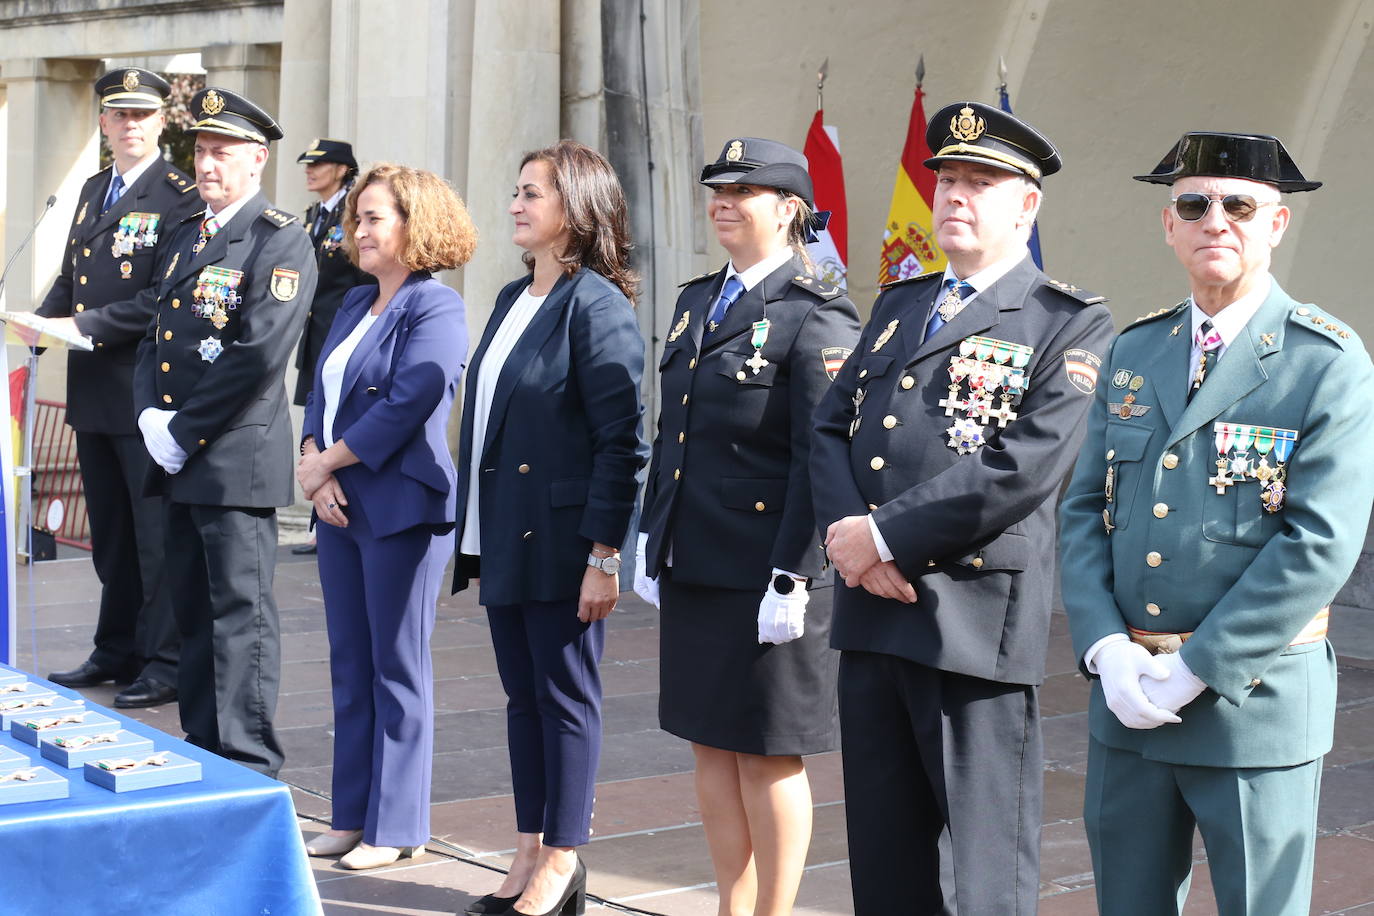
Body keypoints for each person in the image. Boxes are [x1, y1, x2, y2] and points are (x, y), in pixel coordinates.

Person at [1058, 131, 1374, 915]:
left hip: (1251, 707)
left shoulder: (1324, 360)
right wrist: (1104, 648)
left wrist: (1200, 664)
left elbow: (1320, 542)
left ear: (1276, 224)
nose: (1215, 220)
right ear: (1170, 226)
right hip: (1130, 706)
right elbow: (1081, 510)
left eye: (1239, 204)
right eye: (1194, 204)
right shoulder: (1135, 351)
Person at [810, 101, 1115, 914]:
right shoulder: (900, 305)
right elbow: (828, 425)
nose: (954, 195)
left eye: (980, 182)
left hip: (971, 623)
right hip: (872, 614)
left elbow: (1021, 468)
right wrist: (851, 546)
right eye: (945, 179)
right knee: (884, 859)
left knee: (985, 873)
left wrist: (882, 537)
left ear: (1027, 204)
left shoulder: (1067, 321)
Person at [634, 137, 860, 916]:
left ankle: (775, 909)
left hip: (768, 568)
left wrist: (795, 571)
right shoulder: (699, 298)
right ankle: (732, 903)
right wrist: (649, 533)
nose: (725, 202)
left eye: (746, 191)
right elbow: (677, 433)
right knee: (709, 743)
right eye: (719, 190)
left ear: (790, 209)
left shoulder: (817, 310)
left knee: (768, 755)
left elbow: (820, 456)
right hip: (696, 555)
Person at [453, 140, 647, 916]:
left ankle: (564, 857)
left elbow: (622, 441)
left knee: (565, 697)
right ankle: (529, 844)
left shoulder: (596, 305)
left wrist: (605, 554)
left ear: (578, 208)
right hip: (503, 530)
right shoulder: (510, 297)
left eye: (534, 193)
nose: (516, 205)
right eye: (517, 190)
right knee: (522, 698)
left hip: (563, 540)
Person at [132, 87, 317, 777]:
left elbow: (259, 351)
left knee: (239, 615)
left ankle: (246, 755)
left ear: (257, 159)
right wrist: (149, 414)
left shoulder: (279, 237)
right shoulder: (188, 232)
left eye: (222, 152)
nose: (207, 165)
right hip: (178, 452)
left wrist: (183, 429)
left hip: (230, 455)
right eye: (201, 151)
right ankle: (204, 743)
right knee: (193, 612)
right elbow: (156, 331)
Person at [296, 163, 475, 869]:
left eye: (374, 218)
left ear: (415, 225)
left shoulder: (437, 306)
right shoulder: (352, 304)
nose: (359, 229)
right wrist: (314, 461)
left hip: (400, 507)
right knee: (351, 664)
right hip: (339, 506)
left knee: (398, 668)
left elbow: (409, 402)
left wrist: (329, 461)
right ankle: (352, 814)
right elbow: (320, 386)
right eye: (358, 218)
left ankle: (397, 828)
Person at [37, 67, 199, 708]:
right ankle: (116, 647)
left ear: (162, 121)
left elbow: (165, 296)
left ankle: (164, 659)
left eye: (141, 115)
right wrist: (36, 324)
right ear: (103, 123)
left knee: (152, 534)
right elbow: (71, 276)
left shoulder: (179, 195)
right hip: (91, 391)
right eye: (118, 114)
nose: (129, 125)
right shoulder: (93, 188)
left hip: (144, 391)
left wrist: (78, 325)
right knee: (110, 532)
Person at [290, 138, 374, 556]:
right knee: (315, 422)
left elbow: (363, 280)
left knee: (337, 424)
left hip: (343, 335)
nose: (309, 170)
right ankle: (318, 517)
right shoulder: (313, 218)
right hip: (317, 337)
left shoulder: (350, 215)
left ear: (342, 169)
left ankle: (327, 518)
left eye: (318, 164)